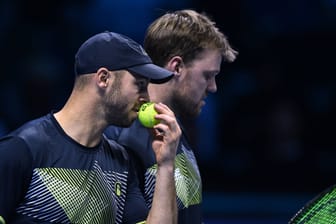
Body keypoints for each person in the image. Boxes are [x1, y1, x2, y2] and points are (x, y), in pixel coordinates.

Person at [0, 31, 182, 224]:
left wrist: (166, 164)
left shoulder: (122, 161)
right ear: (104, 79)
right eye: (139, 84)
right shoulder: (21, 149)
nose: (147, 98)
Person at [104, 9, 238, 223]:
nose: (213, 87)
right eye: (207, 75)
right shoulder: (121, 138)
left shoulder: (172, 129)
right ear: (177, 66)